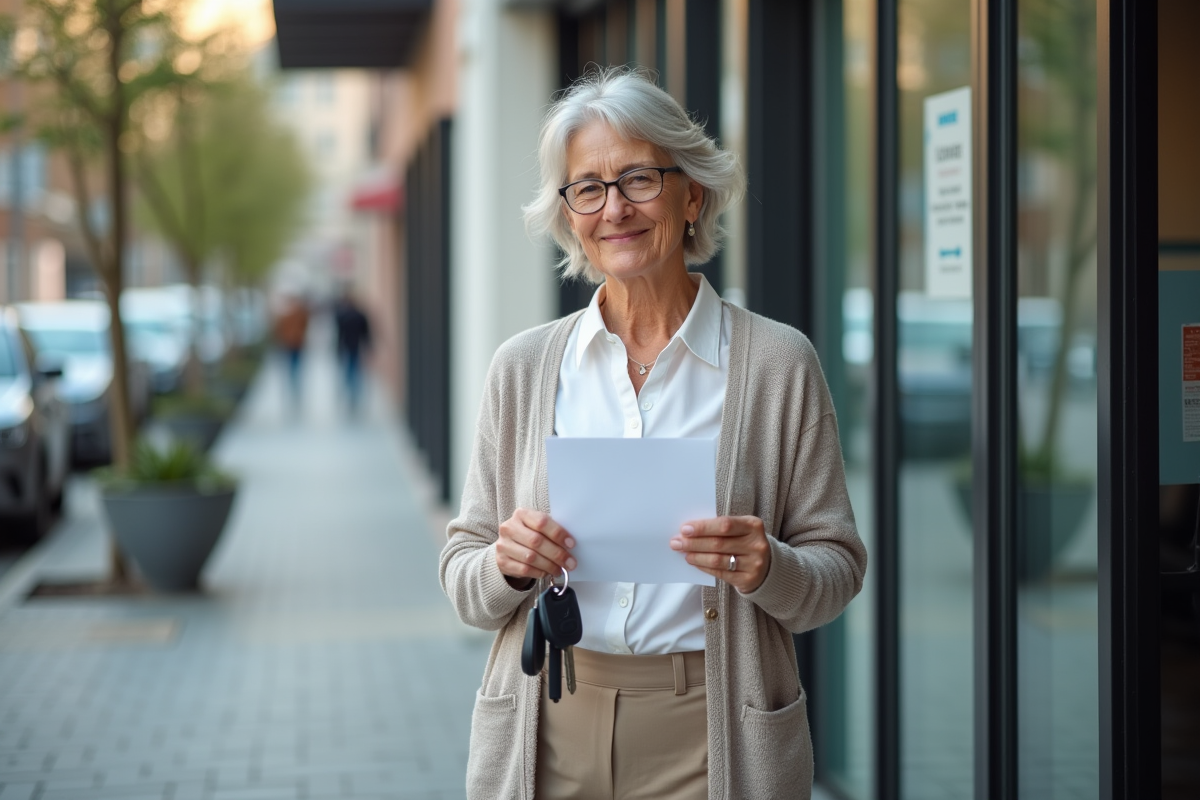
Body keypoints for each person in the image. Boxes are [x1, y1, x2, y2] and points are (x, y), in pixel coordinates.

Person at [439, 67, 867, 800]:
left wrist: (770, 568)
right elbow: (463, 574)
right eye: (588, 187)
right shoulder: (523, 368)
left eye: (639, 178)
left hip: (714, 733)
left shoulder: (776, 363)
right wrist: (506, 566)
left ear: (691, 192)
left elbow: (837, 570)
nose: (615, 208)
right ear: (569, 211)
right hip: (549, 728)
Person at [333, 288, 372, 413]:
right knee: (354, 370)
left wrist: (338, 347)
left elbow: (340, 334)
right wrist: (368, 346)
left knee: (349, 370)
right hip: (355, 346)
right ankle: (353, 393)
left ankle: (350, 392)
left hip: (347, 346)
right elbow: (366, 333)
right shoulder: (359, 315)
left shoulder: (343, 315)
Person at [271, 292, 309, 408]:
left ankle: (295, 387)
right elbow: (278, 329)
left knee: (295, 366)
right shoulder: (286, 315)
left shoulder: (298, 314)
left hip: (296, 344)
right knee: (292, 367)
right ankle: (293, 387)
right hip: (289, 344)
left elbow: (304, 325)